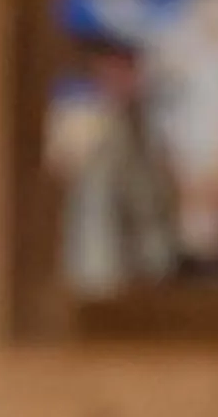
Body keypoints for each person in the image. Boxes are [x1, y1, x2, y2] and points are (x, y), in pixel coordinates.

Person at [45, 29, 181, 299]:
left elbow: (155, 197)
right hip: (94, 263)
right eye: (116, 67)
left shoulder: (144, 126)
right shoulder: (78, 120)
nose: (126, 77)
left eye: (130, 68)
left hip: (142, 265)